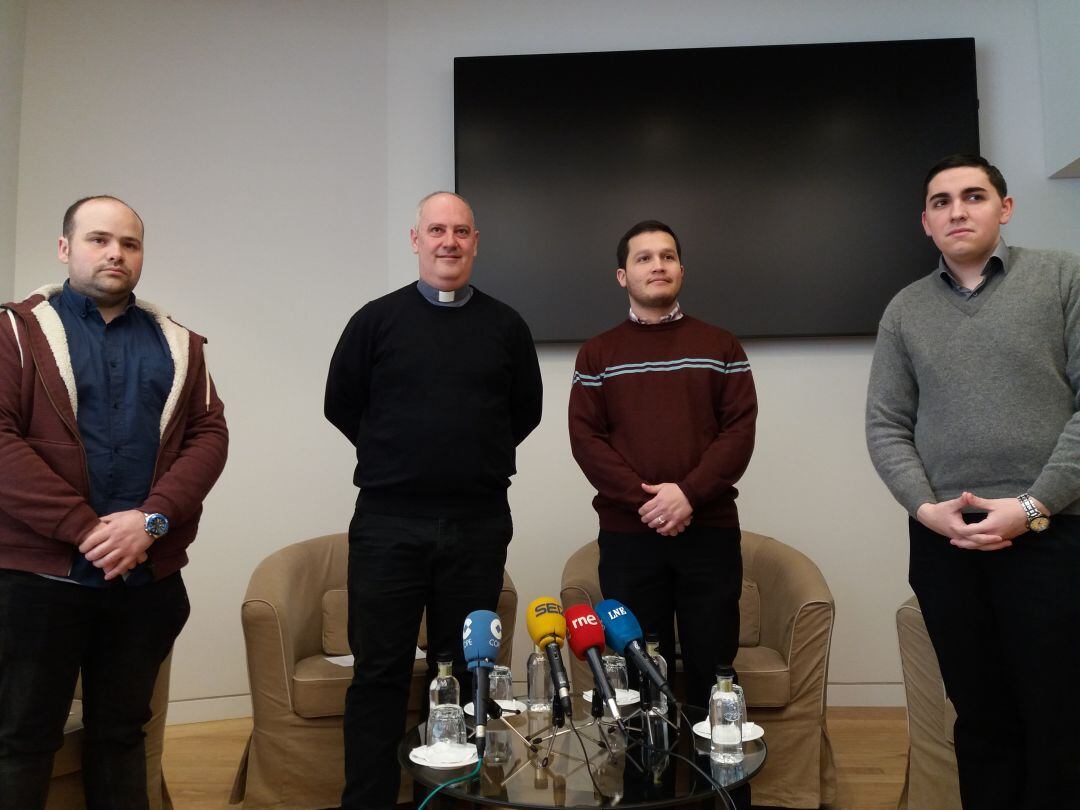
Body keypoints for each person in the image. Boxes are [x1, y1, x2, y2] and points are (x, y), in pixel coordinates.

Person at [0, 195, 228, 809]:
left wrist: (149, 523)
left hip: (144, 580)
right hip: (38, 583)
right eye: (99, 239)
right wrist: (86, 530)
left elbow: (210, 436)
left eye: (129, 244)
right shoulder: (14, 332)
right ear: (64, 247)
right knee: (22, 740)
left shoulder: (180, 343)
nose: (115, 253)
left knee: (122, 736)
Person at [866, 154, 1080, 809]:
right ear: (926, 222)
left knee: (1058, 714)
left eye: (974, 196)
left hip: (1049, 533)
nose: (957, 210)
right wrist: (928, 511)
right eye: (941, 201)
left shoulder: (1063, 279)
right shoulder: (904, 310)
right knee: (979, 714)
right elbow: (886, 427)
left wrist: (1030, 507)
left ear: (1004, 208)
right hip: (945, 544)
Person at [324, 191, 542, 810]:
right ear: (415, 240)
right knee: (379, 674)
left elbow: (525, 410)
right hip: (388, 523)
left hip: (477, 524)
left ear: (477, 241)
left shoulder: (507, 325)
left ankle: (455, 799)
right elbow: (341, 402)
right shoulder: (376, 320)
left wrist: (466, 456)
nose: (450, 241)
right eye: (437, 230)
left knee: (465, 674)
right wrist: (402, 455)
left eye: (462, 231)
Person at [568, 220, 757, 709]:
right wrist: (648, 503)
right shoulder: (597, 353)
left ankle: (719, 786)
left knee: (712, 669)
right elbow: (586, 440)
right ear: (621, 276)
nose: (658, 265)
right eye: (644, 258)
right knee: (634, 673)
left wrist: (687, 495)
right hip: (630, 537)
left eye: (667, 257)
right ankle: (644, 787)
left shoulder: (722, 346)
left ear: (681, 269)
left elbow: (738, 433)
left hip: (709, 532)